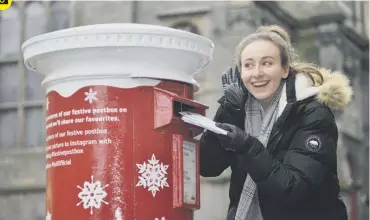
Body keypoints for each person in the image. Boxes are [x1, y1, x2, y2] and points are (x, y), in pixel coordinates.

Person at [199, 25, 352, 220]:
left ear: (285, 69)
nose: (257, 73)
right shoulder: (239, 107)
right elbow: (207, 166)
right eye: (248, 65)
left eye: (267, 63)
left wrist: (247, 146)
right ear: (240, 73)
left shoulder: (313, 113)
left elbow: (294, 189)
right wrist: (230, 112)